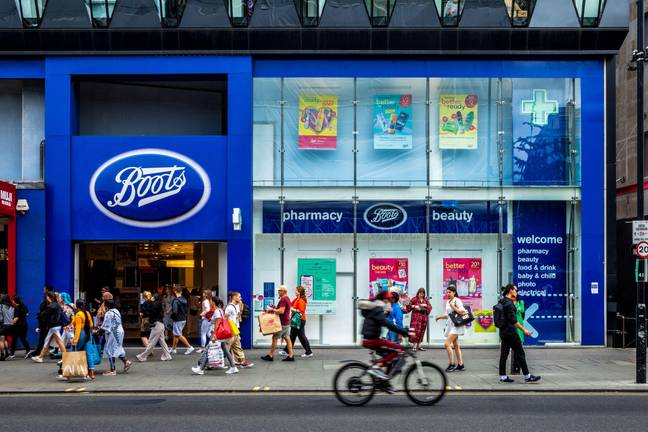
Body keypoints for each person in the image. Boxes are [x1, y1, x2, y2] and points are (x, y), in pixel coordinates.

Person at [358, 290, 414, 381]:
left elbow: (381, 320)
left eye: (389, 300)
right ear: (384, 299)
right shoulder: (378, 308)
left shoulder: (375, 307)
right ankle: (376, 367)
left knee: (390, 356)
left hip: (369, 339)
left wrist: (386, 313)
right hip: (372, 340)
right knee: (397, 350)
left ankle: (385, 382)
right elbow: (387, 324)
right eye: (387, 300)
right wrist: (405, 333)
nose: (388, 302)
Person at [497, 284, 541, 383]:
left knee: (504, 354)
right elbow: (514, 321)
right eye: (516, 290)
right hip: (511, 333)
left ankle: (503, 376)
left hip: (503, 332)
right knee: (520, 353)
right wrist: (524, 330)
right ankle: (527, 376)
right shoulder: (509, 304)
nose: (517, 292)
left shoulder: (501, 301)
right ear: (511, 291)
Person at [192, 296, 238, 375]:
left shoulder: (217, 311)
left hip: (217, 334)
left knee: (208, 350)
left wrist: (214, 335)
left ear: (213, 302)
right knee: (226, 351)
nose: (209, 302)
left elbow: (217, 324)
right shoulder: (220, 310)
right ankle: (233, 367)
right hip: (219, 335)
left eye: (210, 301)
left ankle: (200, 368)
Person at [435, 285, 466, 372]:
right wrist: (440, 317)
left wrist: (453, 307)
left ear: (454, 292)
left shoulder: (457, 300)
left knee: (446, 344)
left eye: (450, 292)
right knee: (456, 345)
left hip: (457, 326)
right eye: (447, 292)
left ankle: (452, 364)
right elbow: (449, 315)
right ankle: (461, 364)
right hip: (451, 325)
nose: (448, 294)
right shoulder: (448, 301)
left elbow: (462, 312)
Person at [261, 285, 294, 362]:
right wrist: (275, 307)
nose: (278, 292)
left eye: (279, 291)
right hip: (286, 322)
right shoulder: (287, 298)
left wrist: (272, 309)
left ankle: (270, 355)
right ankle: (291, 355)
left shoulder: (283, 299)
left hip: (282, 323)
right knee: (287, 338)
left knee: (274, 338)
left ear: (283, 291)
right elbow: (283, 310)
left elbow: (281, 311)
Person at [136, 294, 173, 362]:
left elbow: (149, 311)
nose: (151, 298)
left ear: (155, 298)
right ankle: (167, 356)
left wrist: (149, 302)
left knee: (151, 342)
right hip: (160, 325)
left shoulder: (155, 305)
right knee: (162, 342)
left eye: (153, 297)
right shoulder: (158, 304)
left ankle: (142, 356)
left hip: (156, 325)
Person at [32, 292, 67, 363]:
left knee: (59, 341)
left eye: (47, 297)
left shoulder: (50, 306)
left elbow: (44, 315)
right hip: (56, 325)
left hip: (53, 326)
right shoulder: (57, 305)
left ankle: (65, 358)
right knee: (47, 341)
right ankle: (40, 357)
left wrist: (40, 318)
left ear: (48, 297)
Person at [101, 299, 132, 376]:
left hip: (114, 333)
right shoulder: (116, 311)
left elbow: (105, 326)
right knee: (117, 348)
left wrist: (97, 331)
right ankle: (126, 362)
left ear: (106, 306)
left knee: (110, 349)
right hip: (120, 331)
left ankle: (113, 370)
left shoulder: (108, 313)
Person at [224, 291, 254, 368]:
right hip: (231, 329)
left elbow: (235, 317)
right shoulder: (230, 307)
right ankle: (220, 361)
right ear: (234, 297)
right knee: (227, 346)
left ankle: (242, 361)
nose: (241, 298)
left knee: (237, 345)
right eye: (239, 296)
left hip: (234, 328)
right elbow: (225, 318)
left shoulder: (235, 306)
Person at [287, 286, 313, 358]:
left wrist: (293, 309)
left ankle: (309, 352)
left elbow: (301, 311)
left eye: (296, 290)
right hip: (296, 320)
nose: (295, 291)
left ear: (299, 292)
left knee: (301, 336)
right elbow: (290, 304)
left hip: (300, 320)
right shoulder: (296, 299)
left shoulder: (301, 300)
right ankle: (286, 350)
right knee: (292, 335)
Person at [73, 299, 96, 380]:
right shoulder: (87, 313)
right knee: (88, 353)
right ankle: (92, 373)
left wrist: (75, 341)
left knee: (79, 353)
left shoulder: (78, 314)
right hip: (88, 334)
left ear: (76, 305)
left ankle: (84, 372)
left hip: (81, 334)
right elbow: (91, 324)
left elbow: (78, 328)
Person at [29, 285, 54, 358]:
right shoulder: (47, 298)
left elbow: (46, 310)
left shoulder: (48, 298)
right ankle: (40, 352)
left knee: (44, 337)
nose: (43, 289)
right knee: (46, 338)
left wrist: (41, 315)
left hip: (45, 322)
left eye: (44, 288)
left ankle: (39, 352)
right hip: (45, 321)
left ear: (47, 290)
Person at [170, 286, 195, 355]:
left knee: (178, 334)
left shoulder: (176, 301)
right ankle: (173, 349)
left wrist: (172, 316)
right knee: (175, 334)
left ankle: (189, 347)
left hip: (177, 319)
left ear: (175, 292)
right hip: (183, 318)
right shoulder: (184, 299)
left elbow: (175, 311)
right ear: (181, 292)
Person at [512, 292, 526, 375]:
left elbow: (522, 310)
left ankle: (517, 365)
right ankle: (515, 365)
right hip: (512, 323)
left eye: (515, 292)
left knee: (519, 343)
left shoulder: (521, 302)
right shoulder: (508, 302)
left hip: (519, 323)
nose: (514, 294)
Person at [0, 294, 16, 360]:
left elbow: (0, 317)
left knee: (1, 340)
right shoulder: (12, 307)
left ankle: (2, 355)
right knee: (5, 339)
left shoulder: (1, 306)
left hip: (3, 325)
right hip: (10, 325)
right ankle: (7, 352)